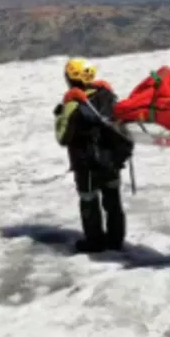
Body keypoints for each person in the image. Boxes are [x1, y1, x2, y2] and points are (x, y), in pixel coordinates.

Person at [53, 57, 134, 253]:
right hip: (112, 160)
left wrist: (60, 114)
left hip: (87, 164)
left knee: (89, 201)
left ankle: (95, 243)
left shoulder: (73, 104)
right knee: (113, 201)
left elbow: (63, 137)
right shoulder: (108, 96)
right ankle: (115, 241)